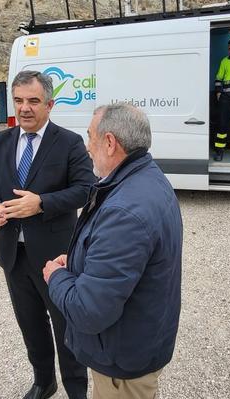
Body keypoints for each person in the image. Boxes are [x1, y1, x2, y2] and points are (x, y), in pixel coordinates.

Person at [43, 103, 183, 399]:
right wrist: (82, 262)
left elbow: (88, 311)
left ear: (109, 143)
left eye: (90, 136)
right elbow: (126, 263)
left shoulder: (124, 210)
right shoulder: (147, 178)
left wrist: (56, 277)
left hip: (122, 364)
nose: (86, 146)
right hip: (139, 342)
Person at [0, 70, 96, 399]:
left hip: (56, 255)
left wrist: (41, 203)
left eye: (33, 101)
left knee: (66, 325)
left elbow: (87, 190)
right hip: (14, 254)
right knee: (30, 324)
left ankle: (76, 389)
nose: (24, 108)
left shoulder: (69, 142)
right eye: (18, 101)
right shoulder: (1, 141)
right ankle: (44, 381)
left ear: (50, 104)